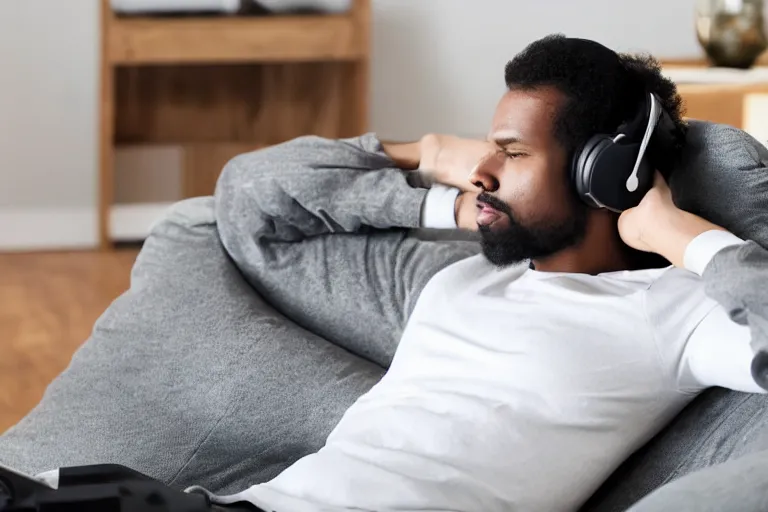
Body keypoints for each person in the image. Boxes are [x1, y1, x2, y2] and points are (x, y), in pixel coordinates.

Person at [4, 35, 767, 512]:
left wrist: (680, 236)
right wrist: (428, 159)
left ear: (607, 173)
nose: (486, 171)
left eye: (514, 152)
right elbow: (251, 204)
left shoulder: (677, 313)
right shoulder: (453, 279)